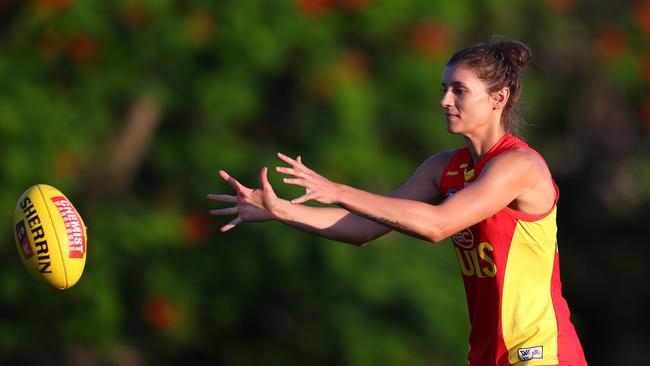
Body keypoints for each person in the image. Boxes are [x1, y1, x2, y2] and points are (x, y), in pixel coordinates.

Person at [207, 37, 588, 366]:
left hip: (541, 353)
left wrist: (337, 190)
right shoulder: (444, 168)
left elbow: (436, 225)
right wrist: (280, 210)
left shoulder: (519, 164)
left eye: (459, 90)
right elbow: (363, 228)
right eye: (443, 88)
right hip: (487, 356)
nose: (444, 100)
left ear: (498, 98)